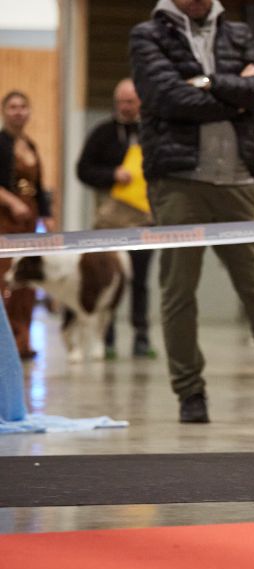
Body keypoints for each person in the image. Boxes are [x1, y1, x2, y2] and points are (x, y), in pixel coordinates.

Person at [130, 0, 254, 425]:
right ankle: (190, 394)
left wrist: (204, 83)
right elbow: (167, 98)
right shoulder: (148, 35)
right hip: (178, 181)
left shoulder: (238, 33)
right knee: (179, 291)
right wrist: (235, 95)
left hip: (239, 181)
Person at [76, 78, 157, 359]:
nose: (125, 107)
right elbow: (83, 169)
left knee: (140, 280)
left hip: (144, 220)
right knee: (106, 279)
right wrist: (112, 175)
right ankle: (106, 337)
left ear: (141, 103)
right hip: (109, 222)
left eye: (130, 102)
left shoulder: (153, 132)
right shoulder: (102, 133)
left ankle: (142, 337)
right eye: (121, 101)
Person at [0, 91, 55, 360]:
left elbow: (39, 186)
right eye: (13, 107)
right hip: (4, 220)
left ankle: (21, 340)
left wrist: (46, 214)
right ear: (4, 111)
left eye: (23, 106)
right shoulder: (0, 143)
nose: (18, 111)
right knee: (4, 279)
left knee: (27, 279)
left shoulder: (30, 145)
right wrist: (11, 202)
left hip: (29, 221)